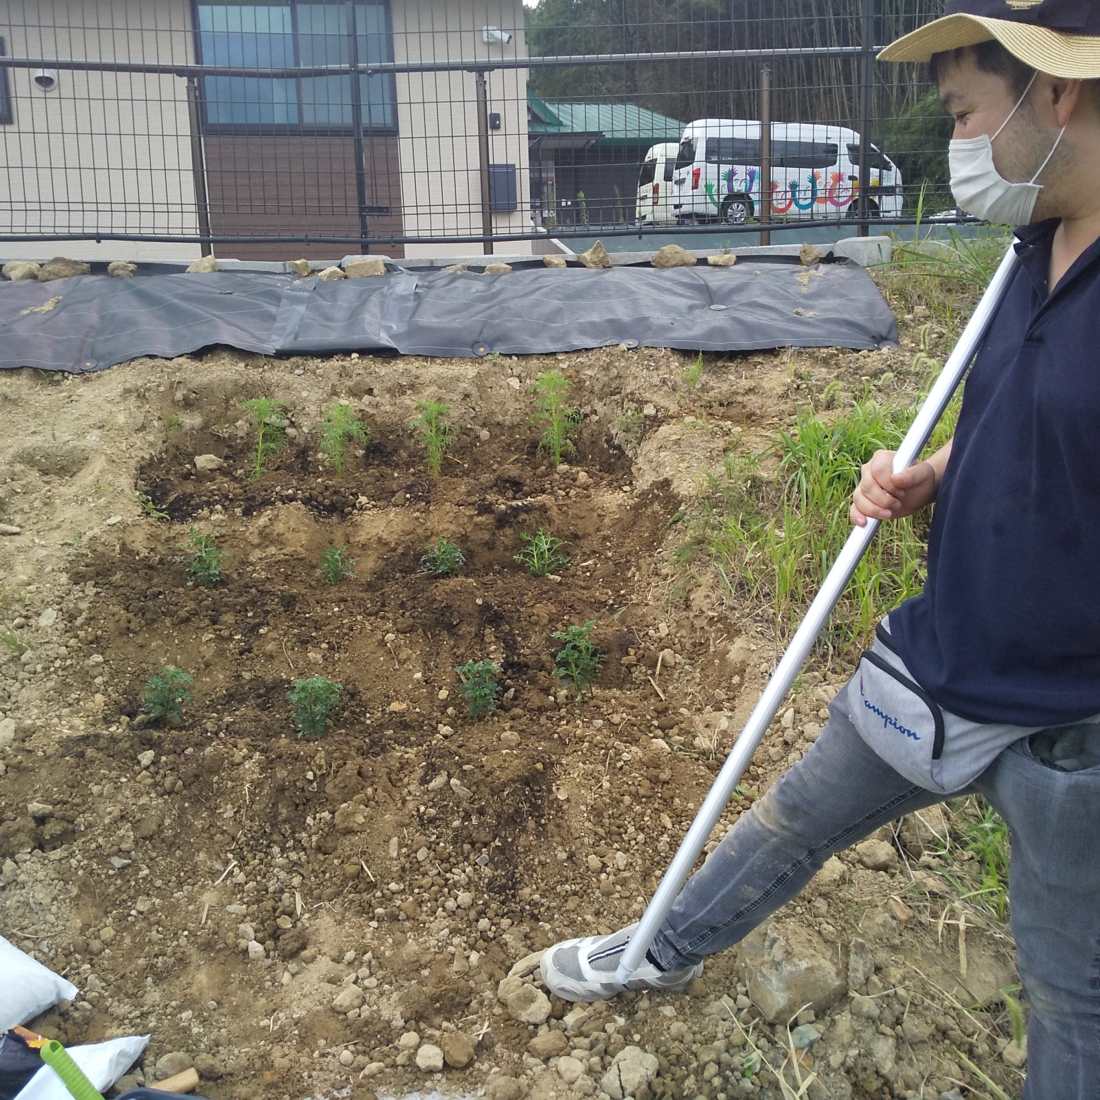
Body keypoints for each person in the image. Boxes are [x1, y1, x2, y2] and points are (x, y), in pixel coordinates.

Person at [538, 3, 1100, 1097]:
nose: (958, 143)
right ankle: (657, 943)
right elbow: (1036, 423)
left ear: (1058, 92)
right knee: (792, 814)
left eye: (964, 111)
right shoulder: (1030, 245)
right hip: (942, 658)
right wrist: (937, 472)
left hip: (1072, 732)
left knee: (1068, 991)